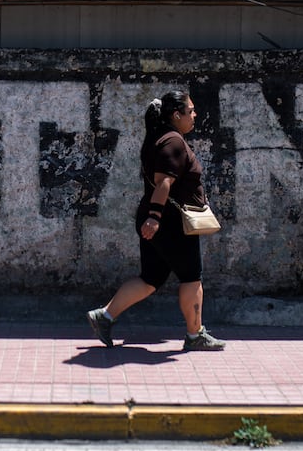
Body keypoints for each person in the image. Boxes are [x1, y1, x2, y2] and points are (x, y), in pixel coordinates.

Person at [87, 90, 226, 351]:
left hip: (158, 221)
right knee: (191, 277)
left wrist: (152, 219)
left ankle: (103, 316)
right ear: (177, 114)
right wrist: (154, 218)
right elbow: (164, 183)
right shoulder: (172, 142)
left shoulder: (159, 138)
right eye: (191, 111)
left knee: (151, 279)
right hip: (170, 223)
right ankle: (195, 335)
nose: (195, 115)